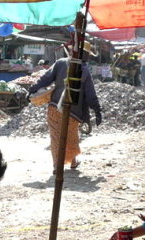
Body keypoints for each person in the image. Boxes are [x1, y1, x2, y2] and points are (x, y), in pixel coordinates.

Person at [28, 42, 102, 172]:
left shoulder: (61, 63)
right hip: (73, 111)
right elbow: (90, 94)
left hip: (55, 107)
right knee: (71, 136)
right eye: (87, 54)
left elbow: (45, 79)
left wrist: (32, 89)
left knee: (56, 137)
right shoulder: (84, 70)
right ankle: (72, 162)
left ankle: (57, 165)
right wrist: (97, 110)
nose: (88, 57)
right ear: (83, 54)